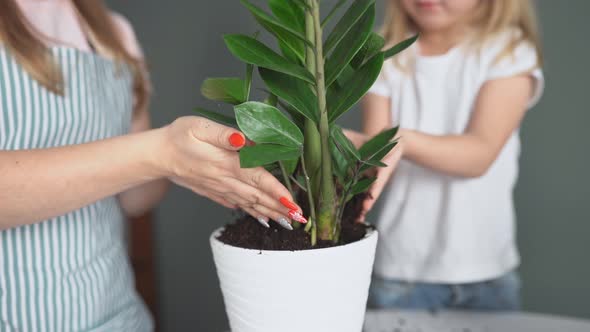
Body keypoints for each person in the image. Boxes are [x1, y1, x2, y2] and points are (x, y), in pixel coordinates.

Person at [0, 0, 301, 330]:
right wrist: (162, 152)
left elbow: (135, 198)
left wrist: (193, 160)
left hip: (117, 315)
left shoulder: (111, 34)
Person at [356, 0, 544, 311]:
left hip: (486, 273)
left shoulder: (509, 50)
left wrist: (401, 140)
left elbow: (478, 155)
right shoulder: (384, 55)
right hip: (401, 271)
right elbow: (372, 162)